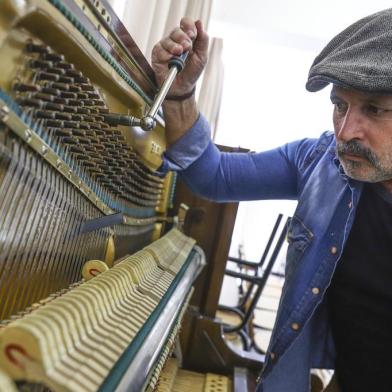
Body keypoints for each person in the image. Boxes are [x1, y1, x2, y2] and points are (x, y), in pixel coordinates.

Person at [151, 9, 392, 392]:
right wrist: (179, 91)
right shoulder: (321, 162)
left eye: (374, 109)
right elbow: (213, 175)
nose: (346, 132)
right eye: (340, 105)